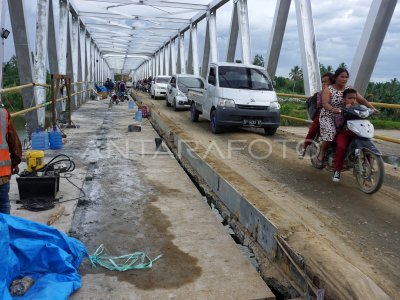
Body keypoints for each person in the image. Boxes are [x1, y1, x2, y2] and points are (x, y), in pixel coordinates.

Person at [314, 68, 376, 182]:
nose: (344, 79)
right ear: (336, 77)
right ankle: (321, 153)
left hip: (346, 115)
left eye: (346, 77)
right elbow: (325, 103)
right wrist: (333, 109)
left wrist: (372, 109)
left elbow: (362, 100)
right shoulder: (329, 89)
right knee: (331, 133)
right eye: (342, 76)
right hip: (329, 115)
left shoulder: (350, 89)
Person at [298, 73, 334, 158]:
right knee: (313, 130)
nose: (324, 84)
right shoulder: (320, 94)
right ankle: (304, 147)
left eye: (327, 82)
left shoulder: (338, 92)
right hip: (322, 114)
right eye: (323, 82)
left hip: (336, 115)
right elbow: (320, 105)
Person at [0, 107, 22, 214]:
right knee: (3, 204)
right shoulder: (3, 114)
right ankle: (4, 230)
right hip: (2, 174)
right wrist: (14, 163)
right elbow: (14, 143)